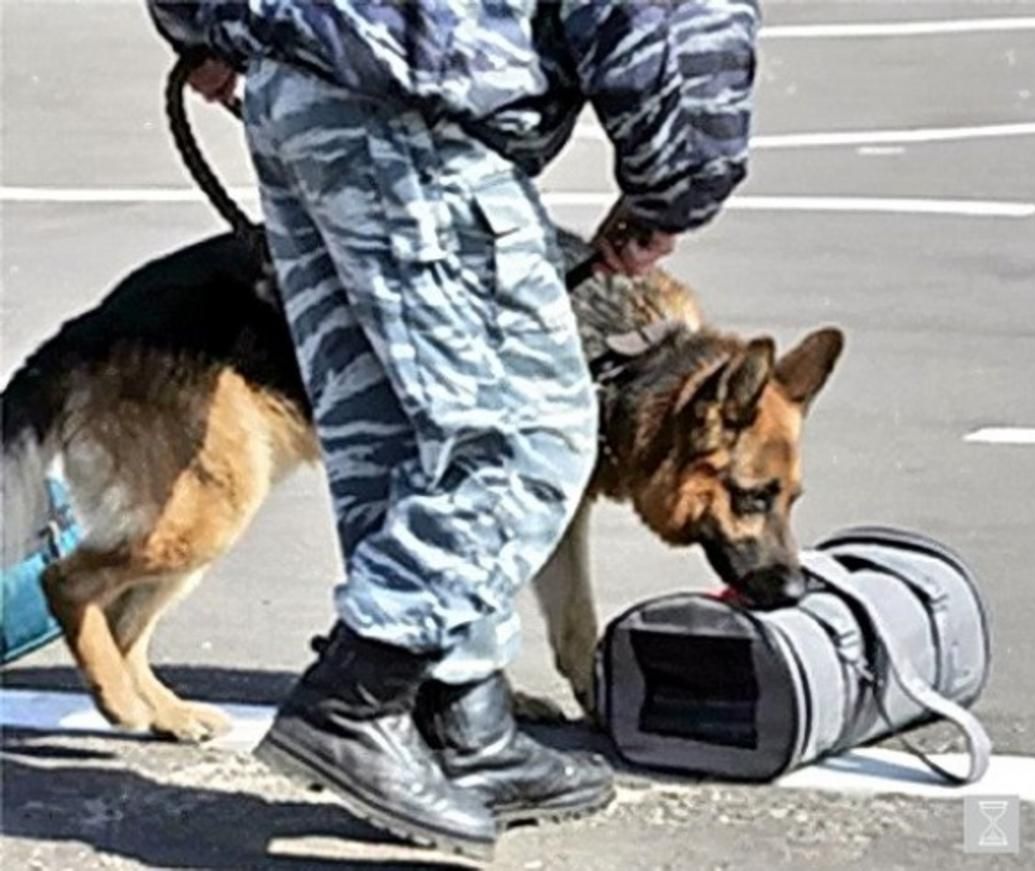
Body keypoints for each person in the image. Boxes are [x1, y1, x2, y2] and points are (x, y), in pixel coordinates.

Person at [148, 0, 759, 857]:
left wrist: (198, 23)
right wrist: (675, 182)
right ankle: (356, 698)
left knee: (391, 434)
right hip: (414, 109)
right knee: (521, 439)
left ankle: (457, 718)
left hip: (300, 84)